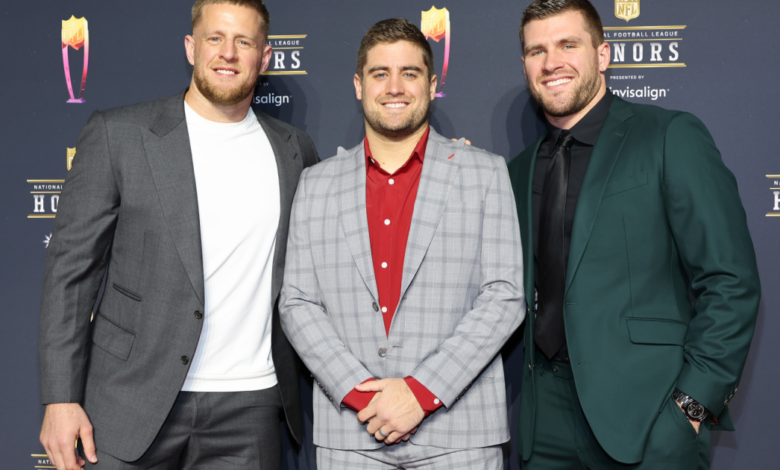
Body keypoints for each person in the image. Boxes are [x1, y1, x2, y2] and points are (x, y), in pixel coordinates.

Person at [37, 1, 318, 469]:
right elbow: (71, 273)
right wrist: (60, 398)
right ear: (191, 47)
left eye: (243, 42)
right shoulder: (119, 135)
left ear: (264, 57)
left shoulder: (293, 150)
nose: (228, 53)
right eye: (215, 38)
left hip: (250, 406)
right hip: (131, 399)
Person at [508, 1, 761, 469]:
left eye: (568, 44)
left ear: (602, 55)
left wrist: (691, 407)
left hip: (646, 417)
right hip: (543, 424)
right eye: (536, 50)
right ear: (525, 64)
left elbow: (730, 280)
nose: (551, 62)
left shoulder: (667, 136)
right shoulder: (518, 171)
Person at [279, 17, 524, 470]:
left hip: (460, 434)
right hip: (352, 433)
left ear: (432, 84)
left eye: (409, 73)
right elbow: (297, 302)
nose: (395, 87)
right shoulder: (316, 184)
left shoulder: (485, 173)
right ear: (358, 85)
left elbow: (504, 297)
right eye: (380, 74)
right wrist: (359, 391)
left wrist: (420, 392)